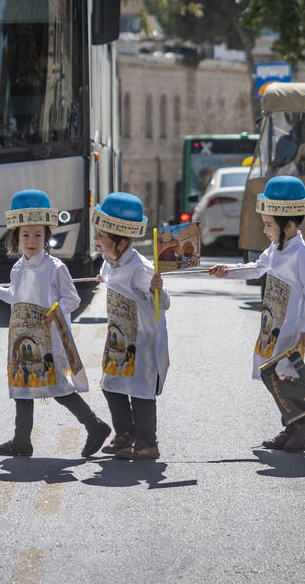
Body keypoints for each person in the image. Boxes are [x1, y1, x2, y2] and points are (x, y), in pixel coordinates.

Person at [0, 190, 110, 458]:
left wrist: (55, 311)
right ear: (16, 237)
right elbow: (15, 298)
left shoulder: (55, 267)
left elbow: (72, 299)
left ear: (46, 237)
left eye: (38, 235)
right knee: (22, 387)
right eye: (25, 235)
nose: (31, 241)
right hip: (22, 339)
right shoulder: (18, 268)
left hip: (50, 339)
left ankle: (95, 426)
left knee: (59, 386)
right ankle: (21, 441)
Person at [208, 175, 305, 452]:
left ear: (289, 225)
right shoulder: (276, 248)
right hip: (271, 324)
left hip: (290, 328)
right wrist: (227, 271)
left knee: (282, 374)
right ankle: (295, 423)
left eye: (269, 225)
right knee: (270, 373)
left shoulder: (301, 254)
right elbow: (257, 268)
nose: (265, 230)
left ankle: (303, 423)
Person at [91, 192, 168, 461]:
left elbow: (165, 302)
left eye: (101, 236)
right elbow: (110, 276)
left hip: (143, 342)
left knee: (140, 392)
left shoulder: (141, 268)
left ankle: (147, 443)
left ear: (122, 241)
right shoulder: (109, 261)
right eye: (97, 233)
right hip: (118, 339)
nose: (96, 239)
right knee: (110, 384)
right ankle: (125, 436)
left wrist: (158, 290)